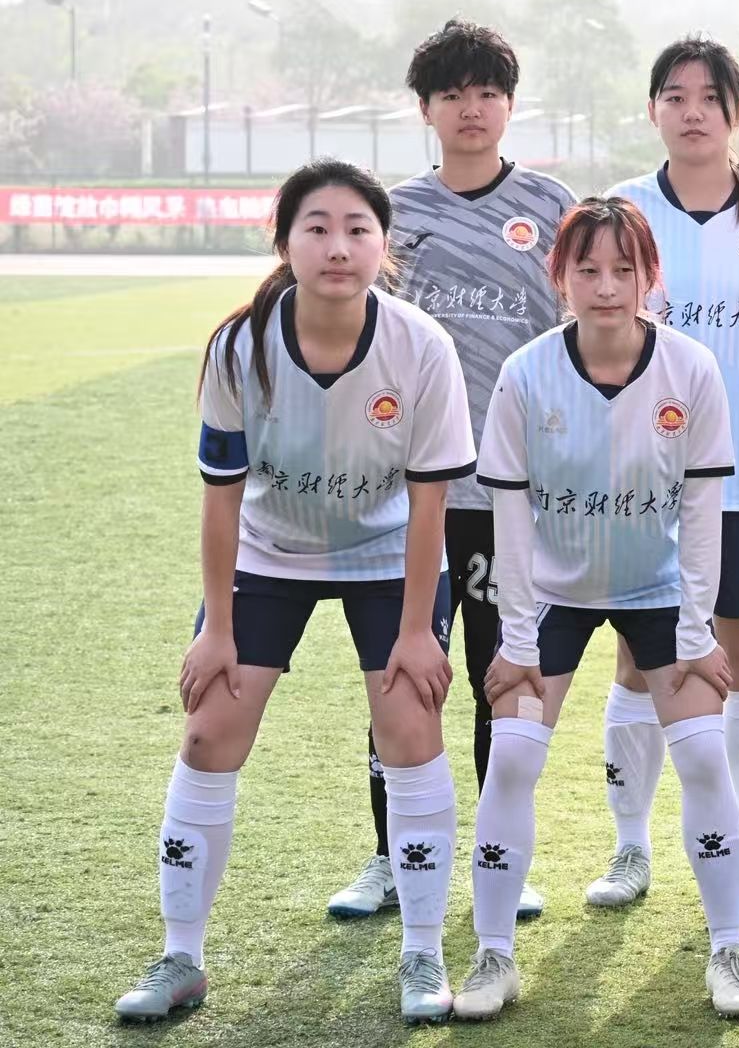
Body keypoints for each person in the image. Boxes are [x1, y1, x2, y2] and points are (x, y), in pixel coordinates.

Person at [115, 160, 475, 1024]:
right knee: (208, 730)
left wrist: (418, 632)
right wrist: (217, 629)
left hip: (388, 554)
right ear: (284, 241)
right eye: (316, 228)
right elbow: (221, 499)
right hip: (269, 553)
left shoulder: (422, 346)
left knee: (410, 727)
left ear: (384, 246)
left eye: (357, 229)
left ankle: (423, 955)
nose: (337, 247)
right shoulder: (241, 346)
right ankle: (181, 957)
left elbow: (432, 503)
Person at [450, 195, 739, 1019]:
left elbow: (703, 516)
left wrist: (695, 632)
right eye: (587, 269)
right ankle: (492, 956)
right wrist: (518, 641)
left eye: (625, 269)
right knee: (512, 759)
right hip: (553, 595)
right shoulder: (526, 373)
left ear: (651, 276)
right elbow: (511, 522)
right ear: (560, 277)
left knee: (704, 758)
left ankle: (729, 950)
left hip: (659, 593)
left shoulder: (691, 369)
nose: (607, 286)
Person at [329, 19, 573, 923]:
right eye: (452, 95)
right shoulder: (392, 214)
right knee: (402, 675)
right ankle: (393, 857)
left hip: (510, 495)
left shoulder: (551, 207)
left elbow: (576, 343)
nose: (471, 109)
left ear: (511, 105)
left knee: (502, 676)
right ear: (425, 109)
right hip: (410, 497)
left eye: (488, 93)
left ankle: (500, 856)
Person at [591, 36, 739, 912]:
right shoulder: (624, 209)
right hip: (642, 481)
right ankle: (630, 847)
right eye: (675, 96)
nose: (693, 112)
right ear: (652, 109)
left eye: (710, 98)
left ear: (737, 112)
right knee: (638, 658)